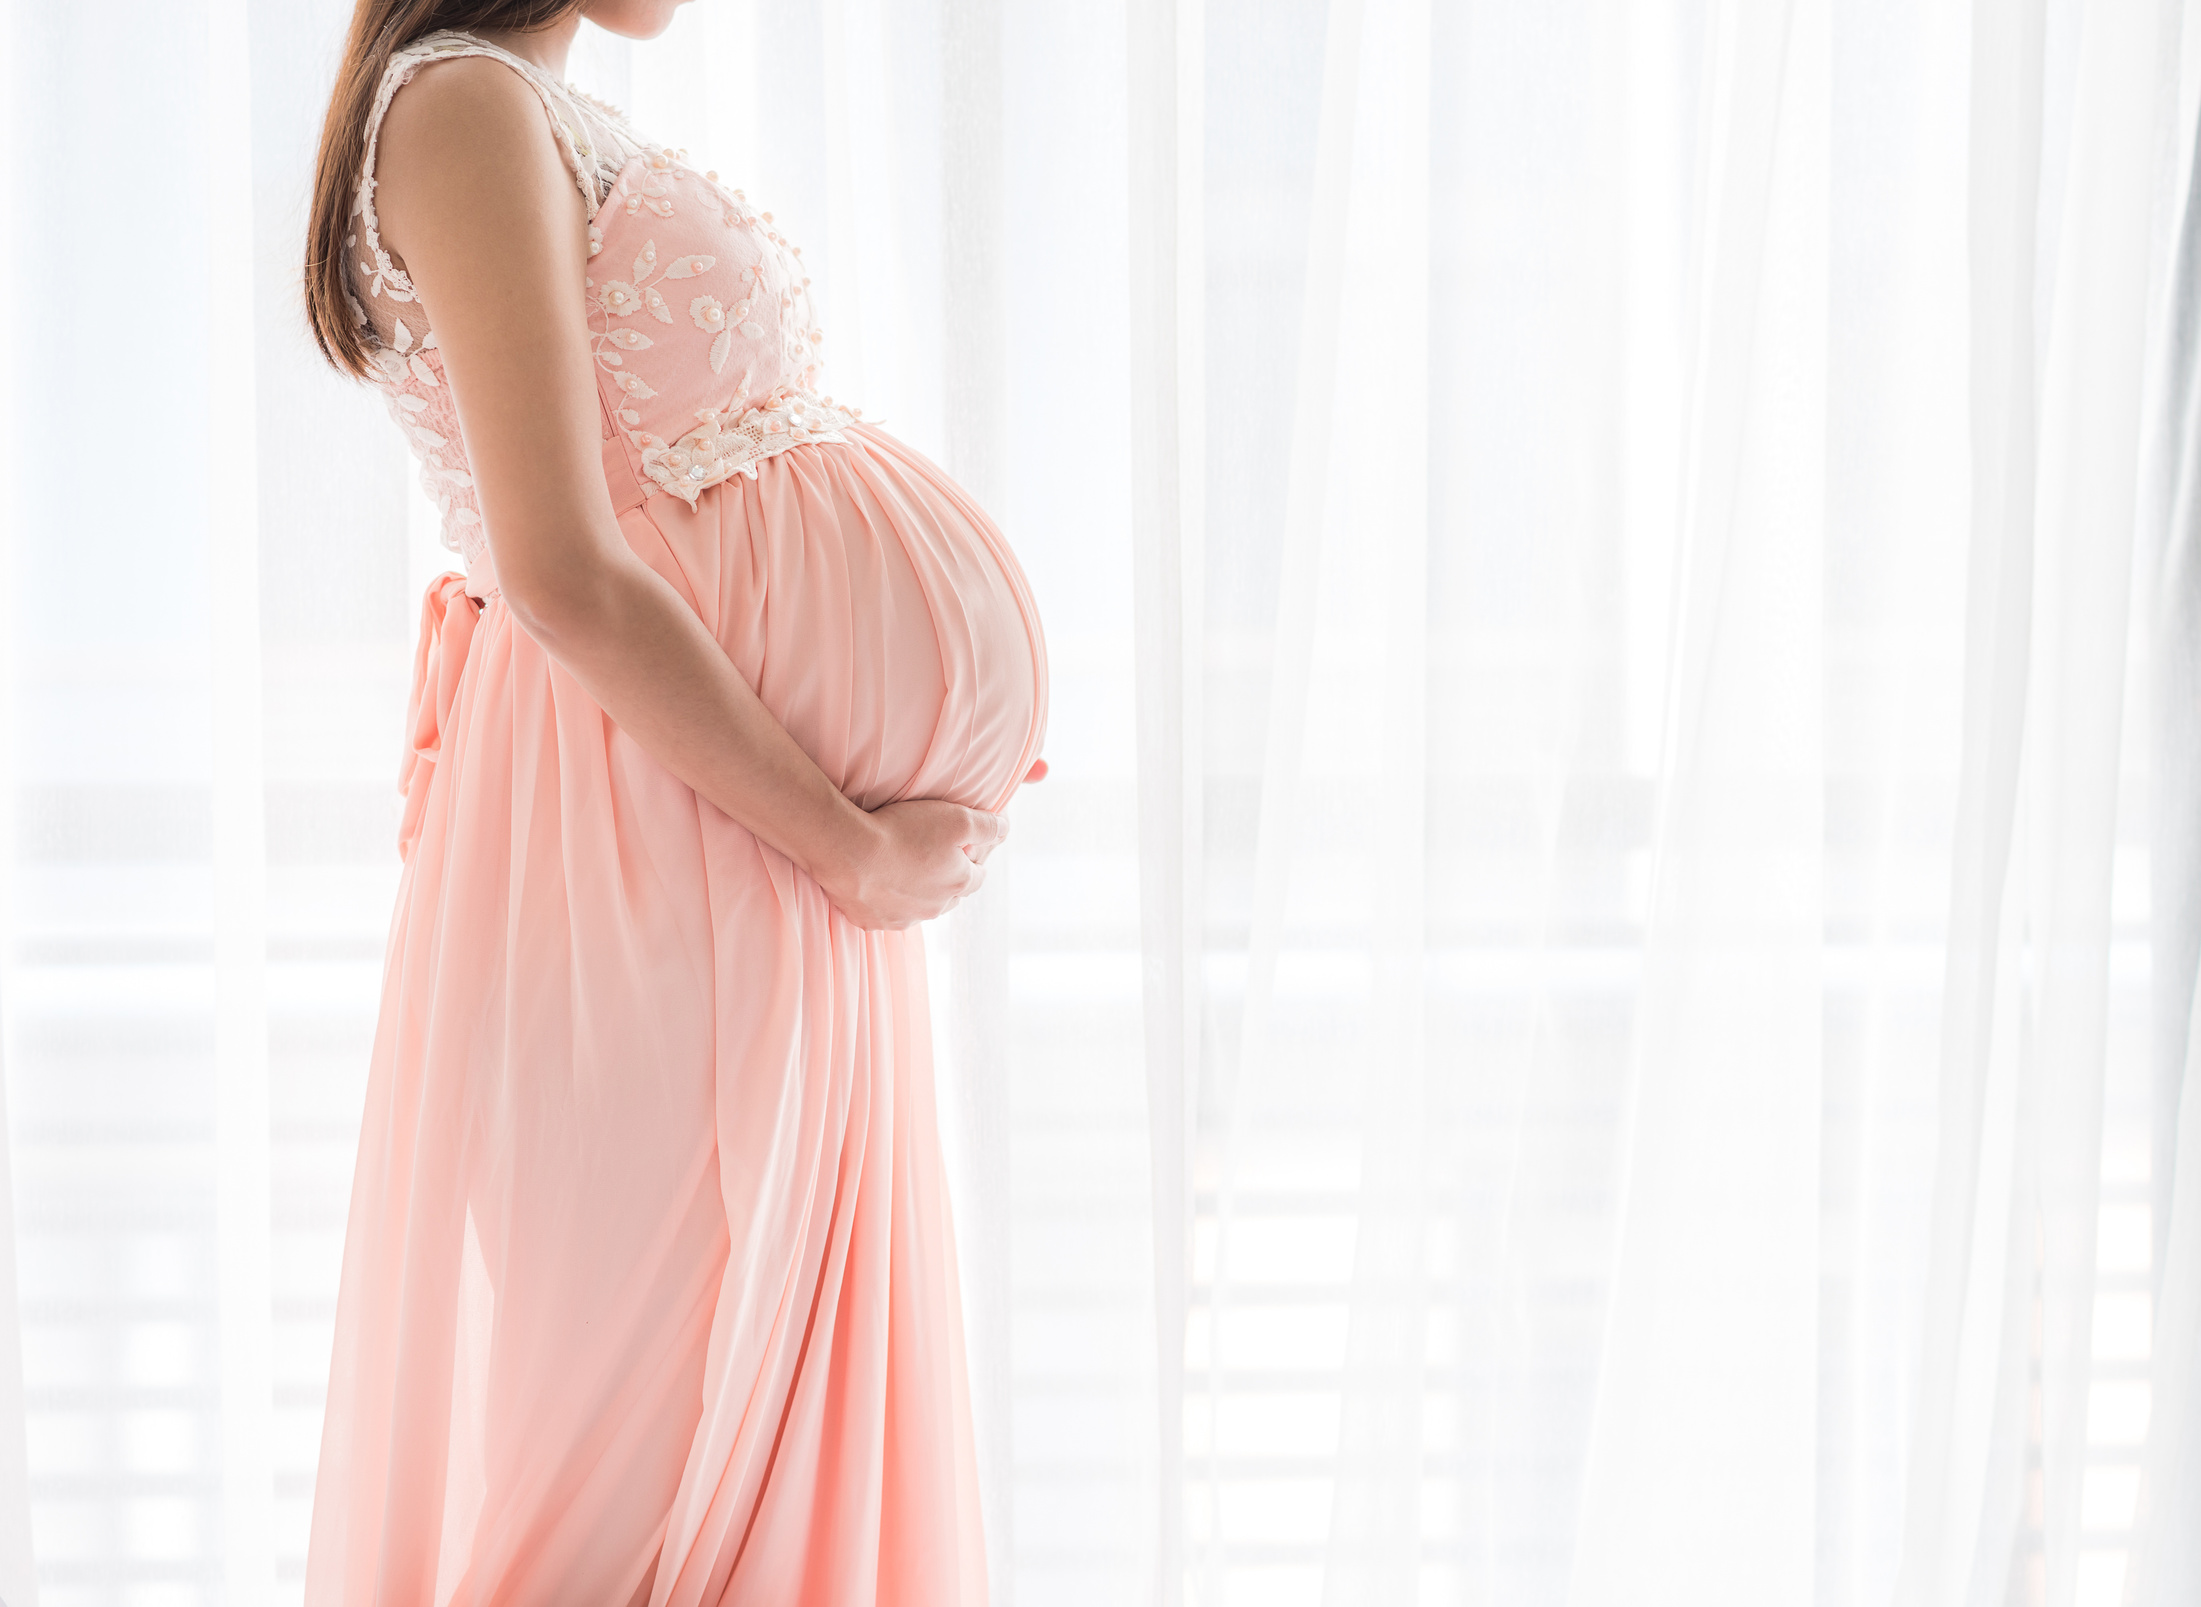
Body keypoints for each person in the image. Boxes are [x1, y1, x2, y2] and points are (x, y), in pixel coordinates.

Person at [296, 1, 1048, 1600]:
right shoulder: (458, 109)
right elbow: (563, 566)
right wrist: (848, 841)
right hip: (644, 844)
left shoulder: (534, 111)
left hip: (729, 839)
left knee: (731, 1418)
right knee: (649, 1454)